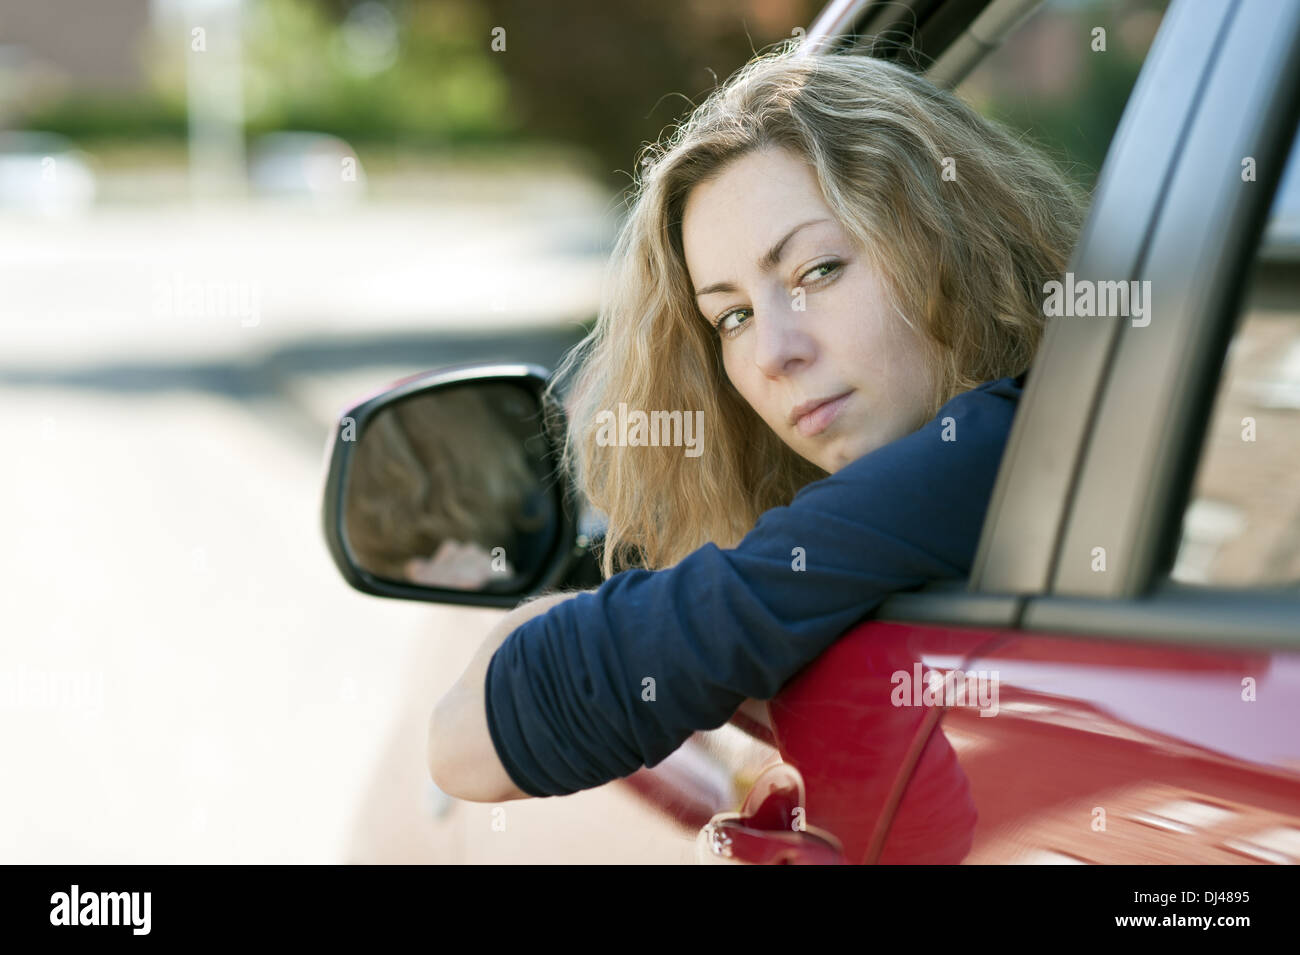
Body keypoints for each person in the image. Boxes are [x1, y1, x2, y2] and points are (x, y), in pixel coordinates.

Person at [427, 42, 1086, 803]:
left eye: (817, 272)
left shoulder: (991, 448)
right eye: (732, 316)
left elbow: (465, 742)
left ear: (948, 242)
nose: (773, 351)